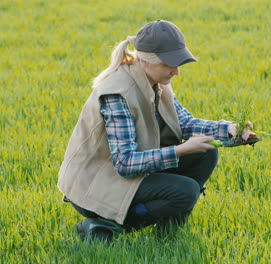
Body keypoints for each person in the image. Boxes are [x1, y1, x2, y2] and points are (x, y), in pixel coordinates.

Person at [57, 20, 254, 242]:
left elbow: (184, 123)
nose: (177, 72)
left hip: (125, 173)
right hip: (98, 186)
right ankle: (101, 226)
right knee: (186, 191)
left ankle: (168, 231)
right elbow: (124, 163)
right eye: (170, 64)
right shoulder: (117, 94)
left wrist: (227, 129)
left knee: (206, 152)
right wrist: (179, 151)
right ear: (145, 60)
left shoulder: (156, 81)